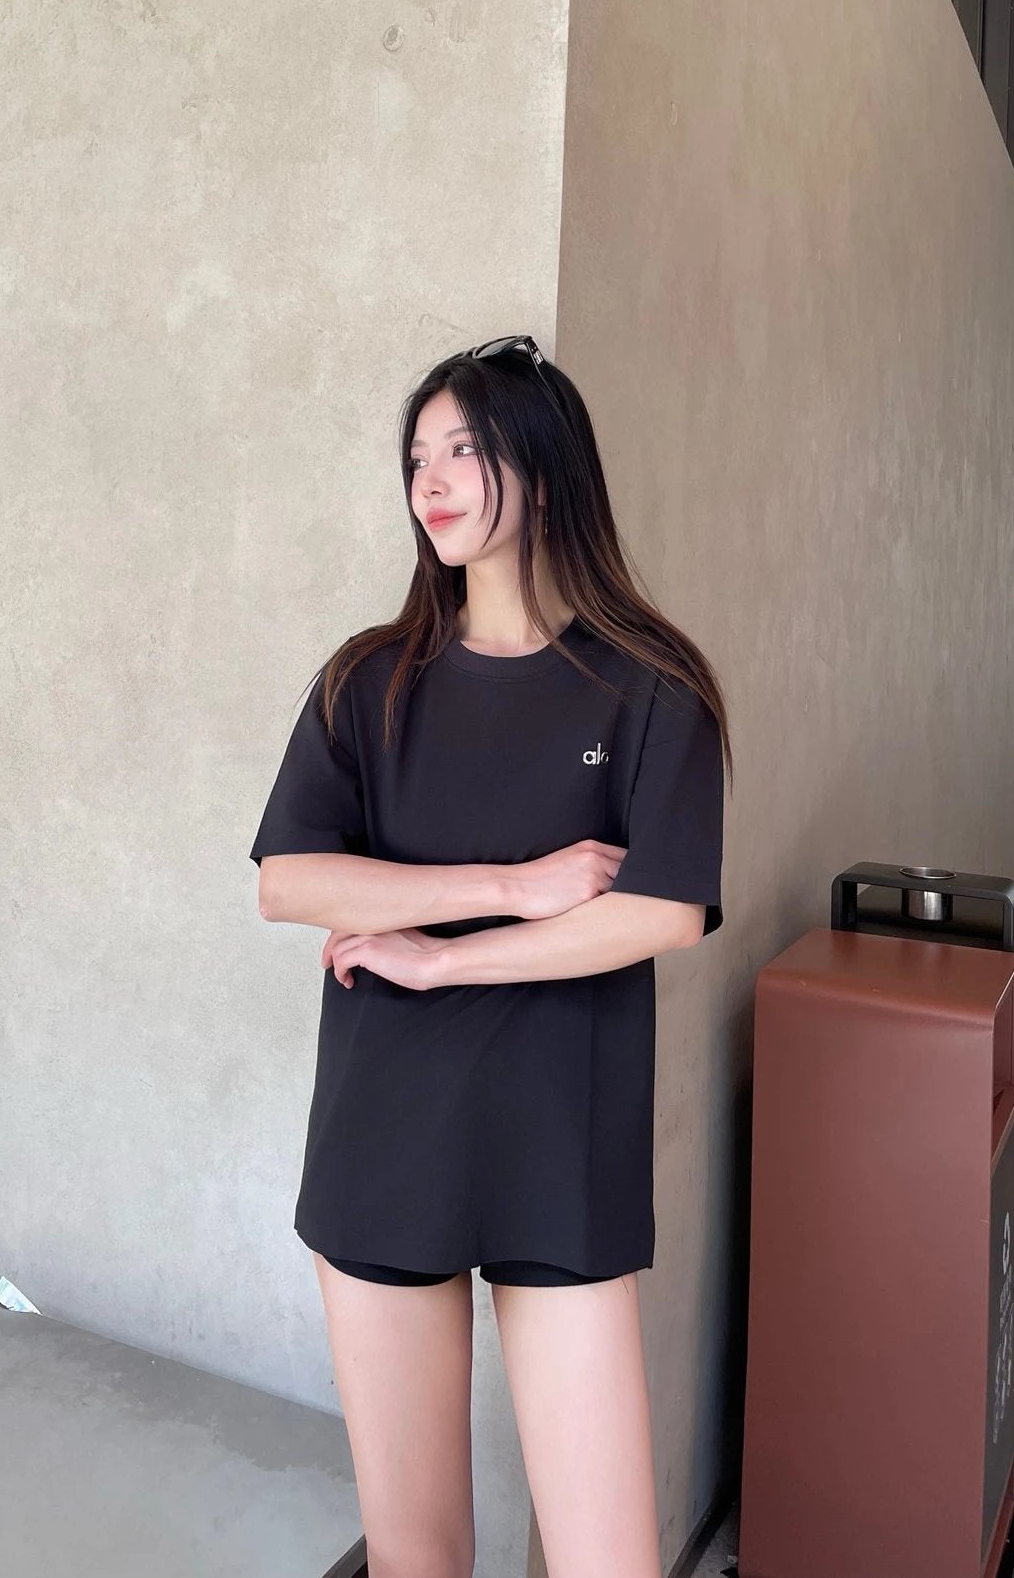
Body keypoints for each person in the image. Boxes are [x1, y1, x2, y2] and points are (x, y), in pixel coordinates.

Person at [248, 333, 732, 1578]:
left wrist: (444, 960)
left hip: (558, 1146)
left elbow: (661, 911)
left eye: (465, 448)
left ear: (546, 464)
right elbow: (289, 879)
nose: (432, 478)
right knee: (418, 1556)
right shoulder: (366, 682)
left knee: (607, 1560)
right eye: (417, 455)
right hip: (384, 1138)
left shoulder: (649, 686)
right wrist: (510, 888)